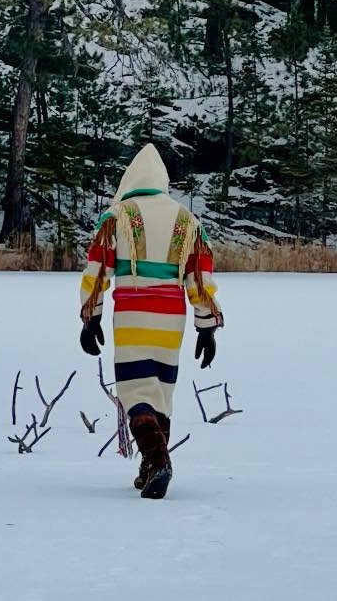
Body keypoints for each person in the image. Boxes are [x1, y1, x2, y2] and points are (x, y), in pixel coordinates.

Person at [76, 144, 223, 500]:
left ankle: (158, 462)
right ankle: (149, 467)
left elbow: (98, 271)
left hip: (133, 312)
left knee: (135, 390)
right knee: (160, 390)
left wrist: (91, 317)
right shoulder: (187, 220)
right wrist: (206, 327)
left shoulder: (117, 216)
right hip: (172, 317)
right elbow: (199, 278)